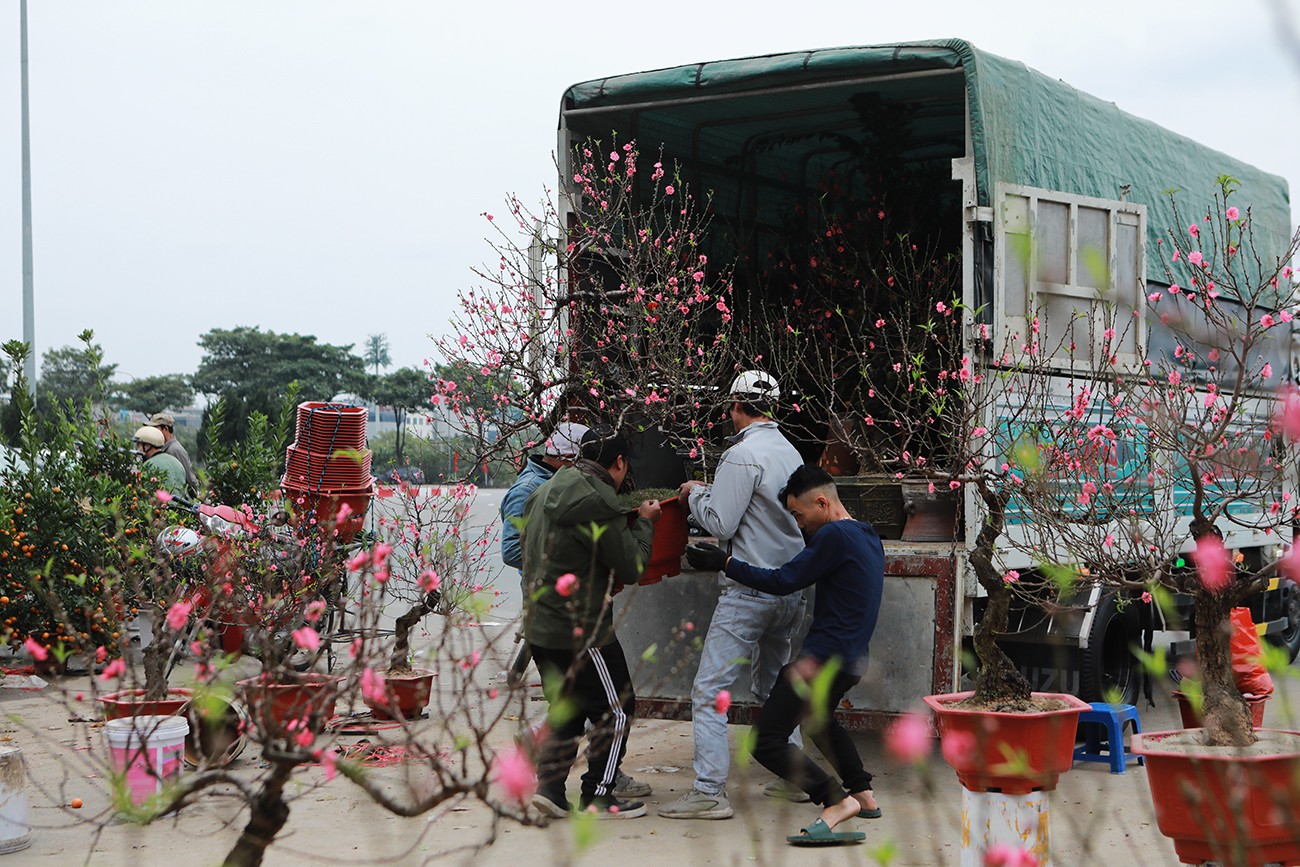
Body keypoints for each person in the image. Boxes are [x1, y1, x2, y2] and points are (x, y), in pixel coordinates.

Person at [685, 464, 884, 844]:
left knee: (766, 740)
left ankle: (835, 801)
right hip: (853, 658)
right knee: (818, 719)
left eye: (798, 515)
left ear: (822, 502)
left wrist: (725, 562)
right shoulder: (865, 534)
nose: (798, 525)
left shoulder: (833, 537)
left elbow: (783, 581)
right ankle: (863, 793)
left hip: (821, 659)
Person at [660, 369, 807, 820]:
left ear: (736, 408)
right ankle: (797, 776)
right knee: (773, 685)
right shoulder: (790, 452)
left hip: (748, 591)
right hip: (789, 590)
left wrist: (694, 494)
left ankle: (708, 792)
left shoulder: (742, 455)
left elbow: (720, 523)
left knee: (708, 692)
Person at [501, 420, 651, 801]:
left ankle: (549, 790)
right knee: (617, 709)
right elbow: (632, 566)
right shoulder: (601, 504)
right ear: (618, 463)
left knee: (567, 707)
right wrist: (646, 525)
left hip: (540, 627)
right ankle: (599, 794)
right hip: (582, 630)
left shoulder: (544, 490)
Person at [144, 412, 199, 497]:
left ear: (165, 429)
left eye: (155, 428)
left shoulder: (175, 450)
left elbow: (190, 480)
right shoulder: (161, 449)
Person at [133, 426, 187, 498]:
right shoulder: (177, 462)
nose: (138, 449)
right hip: (181, 507)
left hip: (161, 507)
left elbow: (144, 495)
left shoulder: (148, 466)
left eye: (139, 446)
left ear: (147, 446)